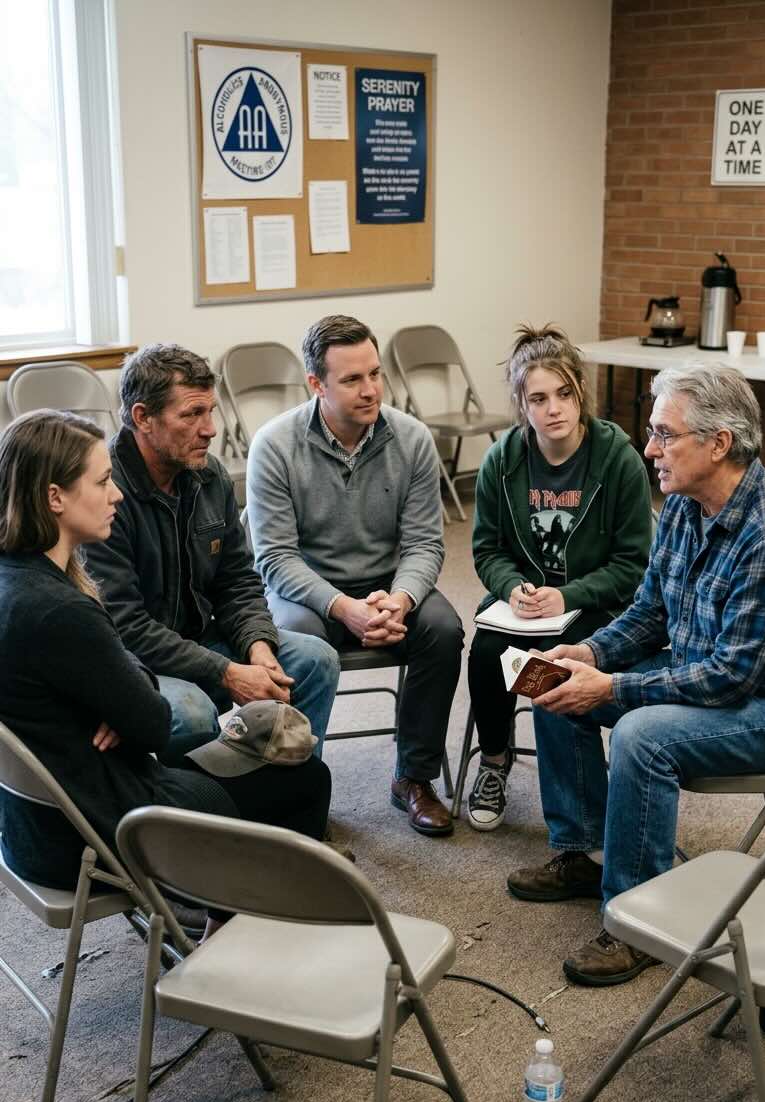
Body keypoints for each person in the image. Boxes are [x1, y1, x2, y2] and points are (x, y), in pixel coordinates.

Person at [506, 363, 765, 986]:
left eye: (665, 433)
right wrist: (593, 655)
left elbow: (730, 678)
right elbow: (651, 612)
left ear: (719, 443)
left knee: (641, 735)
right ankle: (580, 851)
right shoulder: (686, 503)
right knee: (553, 680)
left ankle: (638, 918)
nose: (649, 448)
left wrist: (615, 687)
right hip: (702, 670)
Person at [0, 411, 331, 938]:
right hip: (102, 831)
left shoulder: (16, 581)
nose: (116, 496)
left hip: (31, 832)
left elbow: (125, 685)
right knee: (307, 779)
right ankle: (260, 937)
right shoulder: (61, 609)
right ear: (55, 496)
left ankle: (226, 908)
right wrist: (128, 698)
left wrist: (120, 697)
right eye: (102, 482)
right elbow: (154, 722)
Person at [247, 314, 463, 837]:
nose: (370, 390)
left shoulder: (411, 439)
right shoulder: (274, 445)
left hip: (390, 587)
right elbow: (274, 558)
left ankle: (413, 777)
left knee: (444, 630)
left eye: (375, 374)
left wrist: (403, 600)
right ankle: (296, 785)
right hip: (311, 590)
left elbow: (425, 543)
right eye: (352, 379)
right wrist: (346, 608)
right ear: (316, 384)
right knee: (296, 641)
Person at [84, 343, 340, 763]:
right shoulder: (105, 492)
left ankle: (285, 802)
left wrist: (258, 644)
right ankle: (199, 816)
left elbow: (237, 579)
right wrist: (224, 672)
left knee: (314, 659)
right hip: (139, 662)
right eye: (191, 415)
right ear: (142, 418)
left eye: (211, 411)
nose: (210, 429)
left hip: (202, 637)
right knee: (191, 713)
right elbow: (125, 626)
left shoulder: (208, 473)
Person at [467, 324, 651, 830]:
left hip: (595, 602)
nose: (554, 409)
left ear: (580, 394)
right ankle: (495, 760)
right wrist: (511, 587)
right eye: (539, 398)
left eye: (565, 393)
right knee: (486, 652)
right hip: (523, 605)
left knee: (551, 664)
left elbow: (632, 566)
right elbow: (486, 550)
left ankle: (576, 799)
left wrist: (568, 594)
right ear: (522, 406)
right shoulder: (502, 461)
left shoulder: (618, 459)